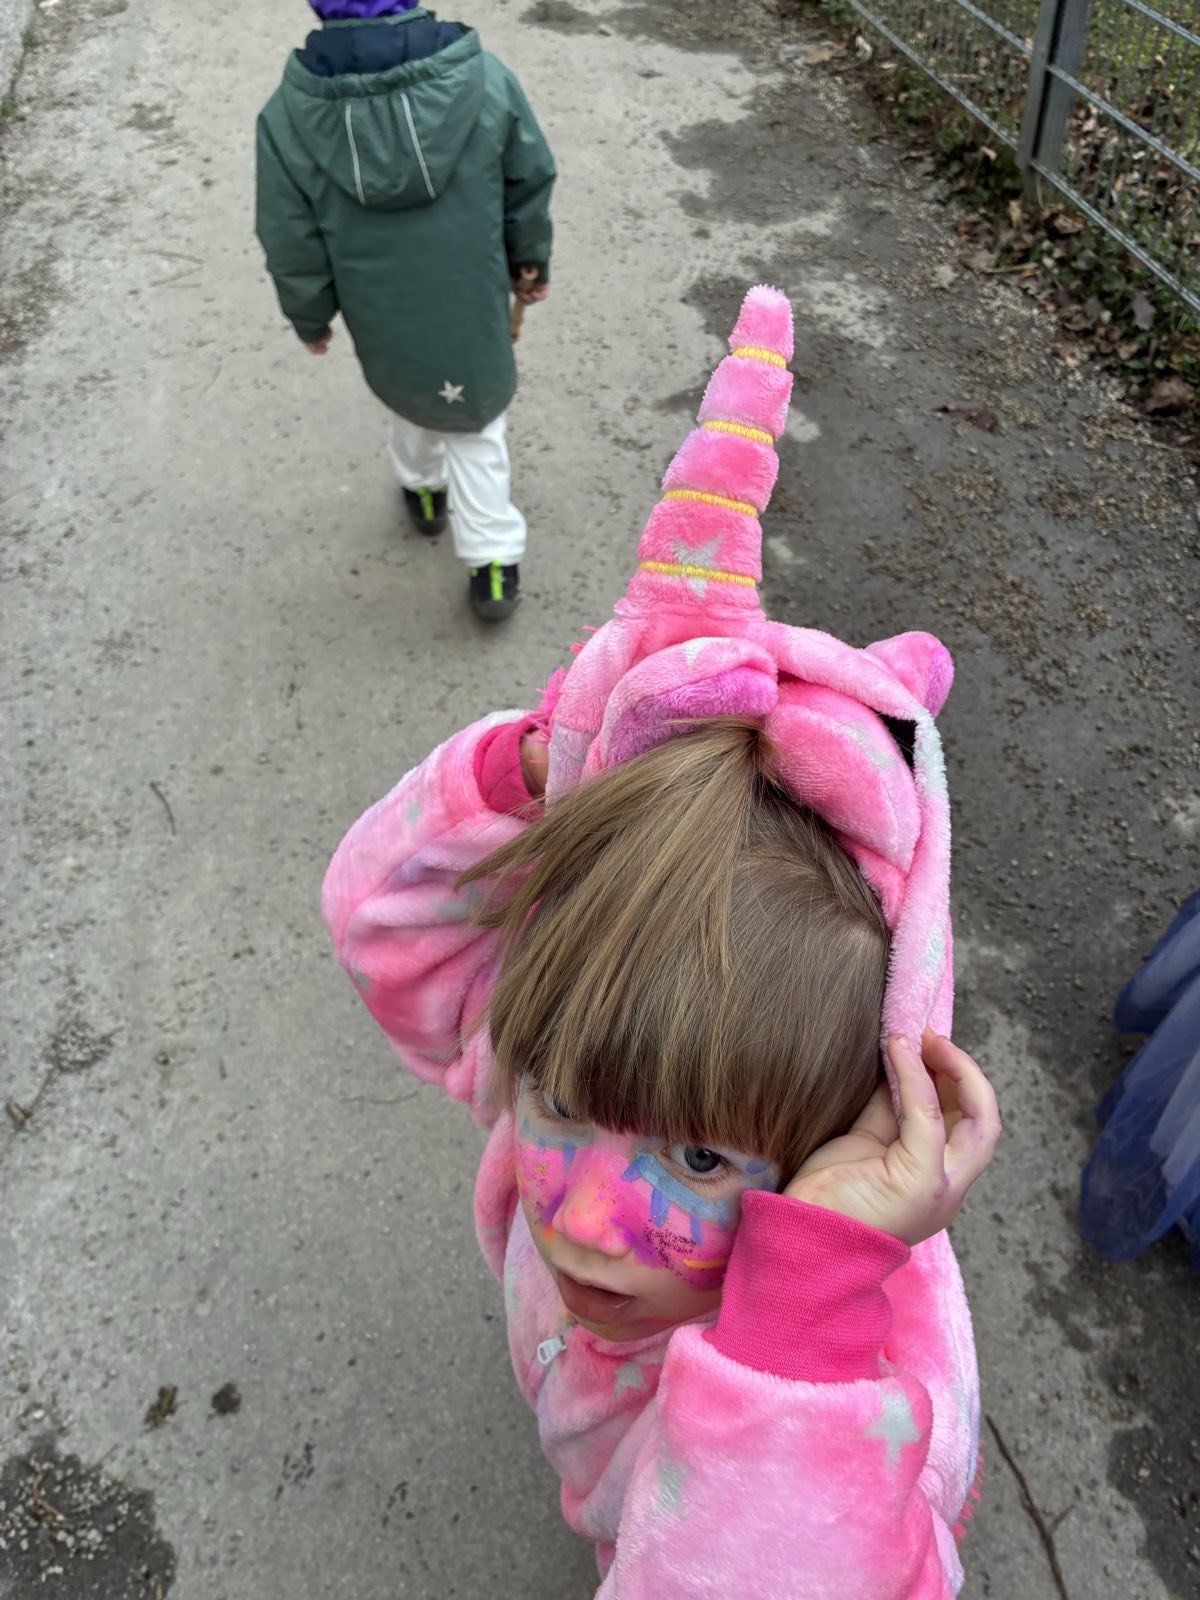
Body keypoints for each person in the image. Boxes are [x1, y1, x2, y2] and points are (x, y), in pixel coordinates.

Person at [322, 286, 1001, 1595]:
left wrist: (795, 1327)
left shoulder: (863, 1385)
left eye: (697, 1156)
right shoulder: (591, 1022)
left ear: (848, 1135)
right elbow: (386, 932)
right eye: (562, 1104)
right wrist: (535, 770)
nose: (581, 1224)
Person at [255, 1, 555, 620]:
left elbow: (290, 234)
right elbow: (527, 177)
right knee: (475, 418)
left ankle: (422, 489)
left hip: (378, 304)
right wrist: (529, 261)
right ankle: (493, 561)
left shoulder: (288, 115)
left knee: (410, 386)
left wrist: (309, 313)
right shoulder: (483, 79)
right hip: (468, 295)